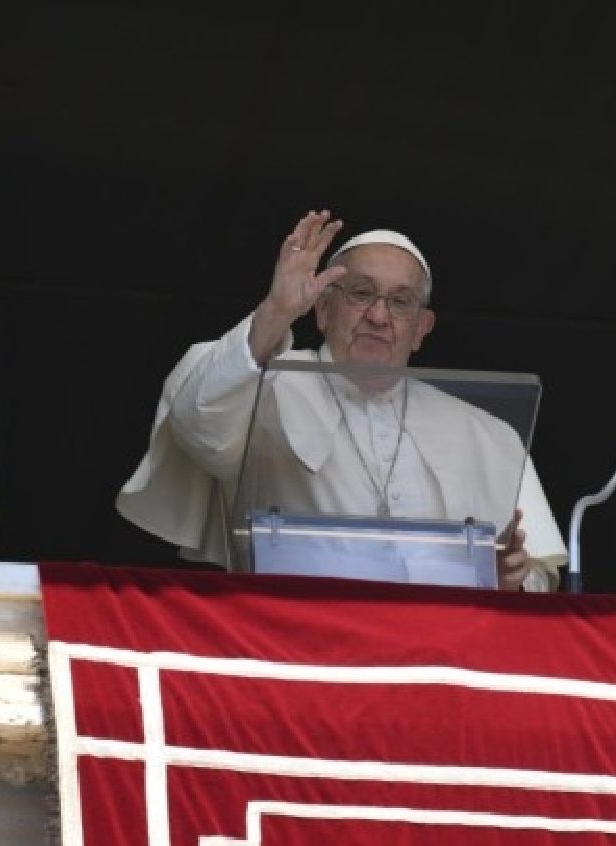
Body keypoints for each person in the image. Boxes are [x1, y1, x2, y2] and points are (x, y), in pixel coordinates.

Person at [117, 210, 566, 590]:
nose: (378, 316)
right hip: (292, 646)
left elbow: (539, 578)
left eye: (400, 301)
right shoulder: (261, 381)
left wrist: (508, 581)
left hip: (435, 660)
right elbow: (202, 429)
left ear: (422, 329)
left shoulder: (486, 433)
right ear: (323, 308)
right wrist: (275, 311)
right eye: (361, 293)